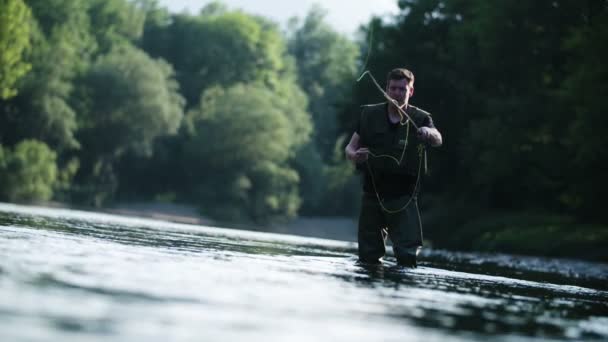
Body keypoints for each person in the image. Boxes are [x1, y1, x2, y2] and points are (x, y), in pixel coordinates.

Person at [345, 68, 442, 267]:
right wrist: (354, 156)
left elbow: (438, 139)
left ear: (411, 91)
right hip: (372, 194)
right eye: (393, 88)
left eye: (402, 89)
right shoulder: (369, 114)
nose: (397, 93)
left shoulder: (421, 118)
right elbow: (350, 146)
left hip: (403, 198)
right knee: (367, 259)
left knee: (407, 260)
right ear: (386, 89)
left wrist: (427, 132)